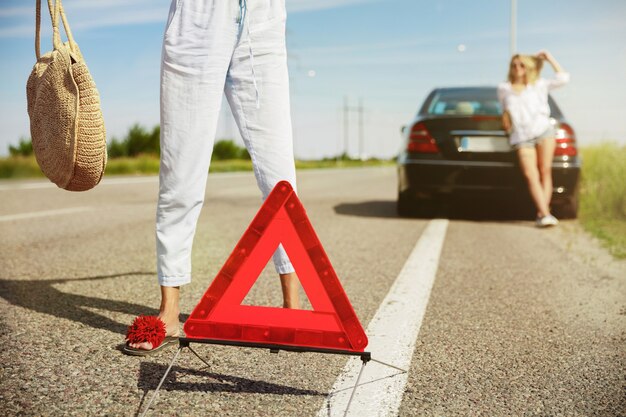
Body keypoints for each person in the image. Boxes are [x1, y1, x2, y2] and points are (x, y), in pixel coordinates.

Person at [124, 0, 300, 355]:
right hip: (198, 18)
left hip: (263, 18)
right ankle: (169, 312)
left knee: (279, 172)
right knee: (181, 171)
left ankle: (293, 309)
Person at [497, 50, 570, 227]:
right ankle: (545, 213)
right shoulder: (504, 88)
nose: (517, 68)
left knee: (545, 171)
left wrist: (550, 58)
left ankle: (542, 214)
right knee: (531, 175)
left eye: (521, 64)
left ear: (528, 67)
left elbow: (563, 79)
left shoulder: (539, 84)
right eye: (514, 65)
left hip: (544, 131)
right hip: (521, 137)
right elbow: (504, 109)